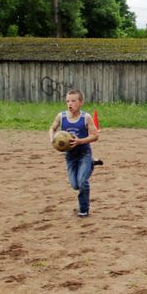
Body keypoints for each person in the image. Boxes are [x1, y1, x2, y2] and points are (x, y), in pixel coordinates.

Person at [49, 89, 100, 217]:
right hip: (70, 156)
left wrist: (80, 141)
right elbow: (52, 128)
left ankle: (84, 209)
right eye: (67, 101)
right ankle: (92, 164)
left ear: (81, 102)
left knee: (82, 182)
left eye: (73, 101)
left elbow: (95, 136)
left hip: (84, 154)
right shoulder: (61, 116)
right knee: (75, 185)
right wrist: (52, 138)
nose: (70, 104)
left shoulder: (86, 117)